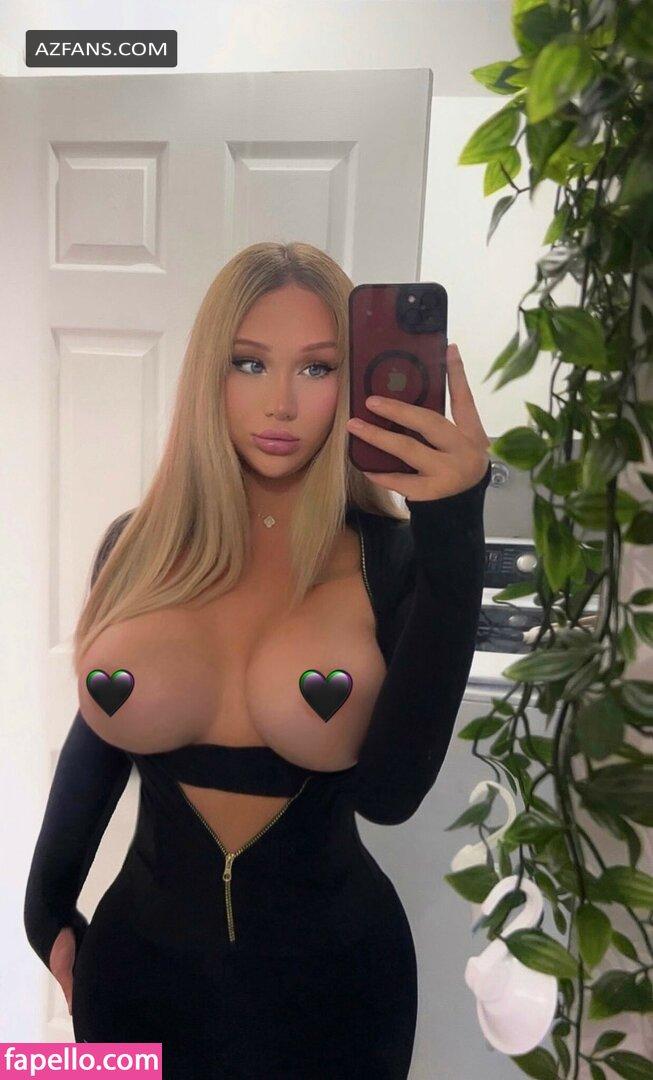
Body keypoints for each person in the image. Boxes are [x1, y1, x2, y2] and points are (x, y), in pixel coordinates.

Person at [24, 241, 491, 1079]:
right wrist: (45, 908)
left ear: (353, 381)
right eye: (249, 363)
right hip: (133, 981)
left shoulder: (388, 561)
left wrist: (453, 537)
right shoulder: (135, 547)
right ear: (211, 372)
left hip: (336, 998)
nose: (280, 402)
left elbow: (390, 796)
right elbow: (102, 735)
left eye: (316, 369)